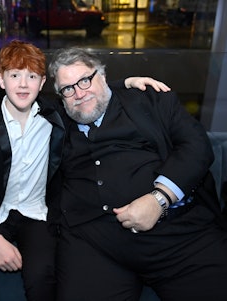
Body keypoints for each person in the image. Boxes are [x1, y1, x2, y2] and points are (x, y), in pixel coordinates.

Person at [0, 40, 171, 301]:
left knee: (42, 276)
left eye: (32, 76)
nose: (23, 84)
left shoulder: (56, 116)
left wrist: (125, 83)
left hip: (39, 215)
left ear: (42, 84)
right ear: (1, 79)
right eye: (14, 75)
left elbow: (85, 95)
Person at [47, 47, 227, 301]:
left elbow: (197, 146)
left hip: (177, 236)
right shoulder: (57, 120)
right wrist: (120, 83)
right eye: (68, 89)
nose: (79, 93)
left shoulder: (152, 100)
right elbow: (23, 97)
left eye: (85, 80)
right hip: (95, 245)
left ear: (103, 76)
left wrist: (159, 198)